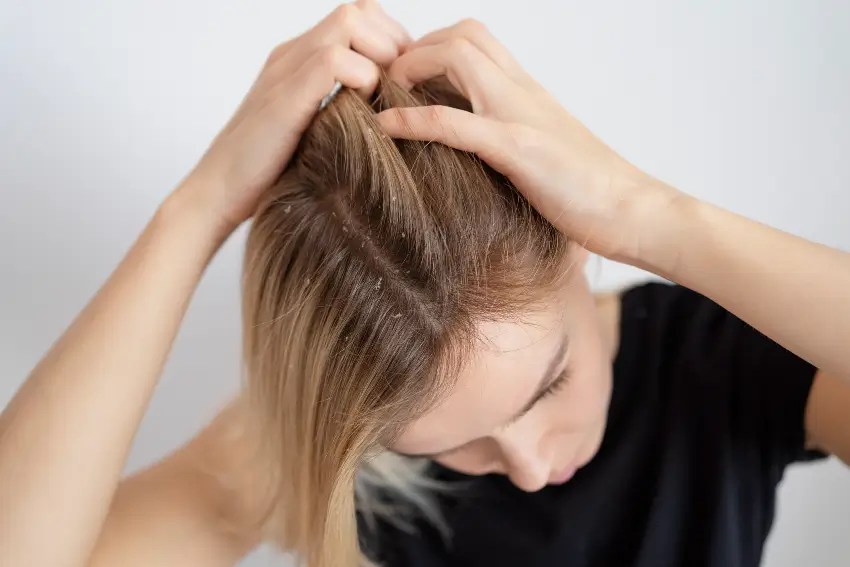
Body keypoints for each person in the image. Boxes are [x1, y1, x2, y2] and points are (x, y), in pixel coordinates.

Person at [1, 2, 848, 567]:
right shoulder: (324, 450)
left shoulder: (718, 358)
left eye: (549, 382)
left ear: (580, 245)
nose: (525, 465)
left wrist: (646, 209)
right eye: (447, 443)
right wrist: (197, 209)